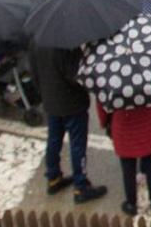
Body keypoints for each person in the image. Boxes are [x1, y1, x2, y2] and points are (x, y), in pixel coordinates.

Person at [32, 27, 107, 204]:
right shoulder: (65, 46)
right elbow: (77, 77)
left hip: (51, 101)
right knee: (77, 144)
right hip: (72, 104)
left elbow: (34, 71)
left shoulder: (36, 40)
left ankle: (53, 176)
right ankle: (81, 186)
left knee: (54, 139)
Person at [102, 98, 151, 217]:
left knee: (128, 169)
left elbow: (102, 107)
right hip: (148, 126)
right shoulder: (148, 81)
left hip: (122, 129)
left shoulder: (111, 82)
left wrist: (106, 123)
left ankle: (131, 203)